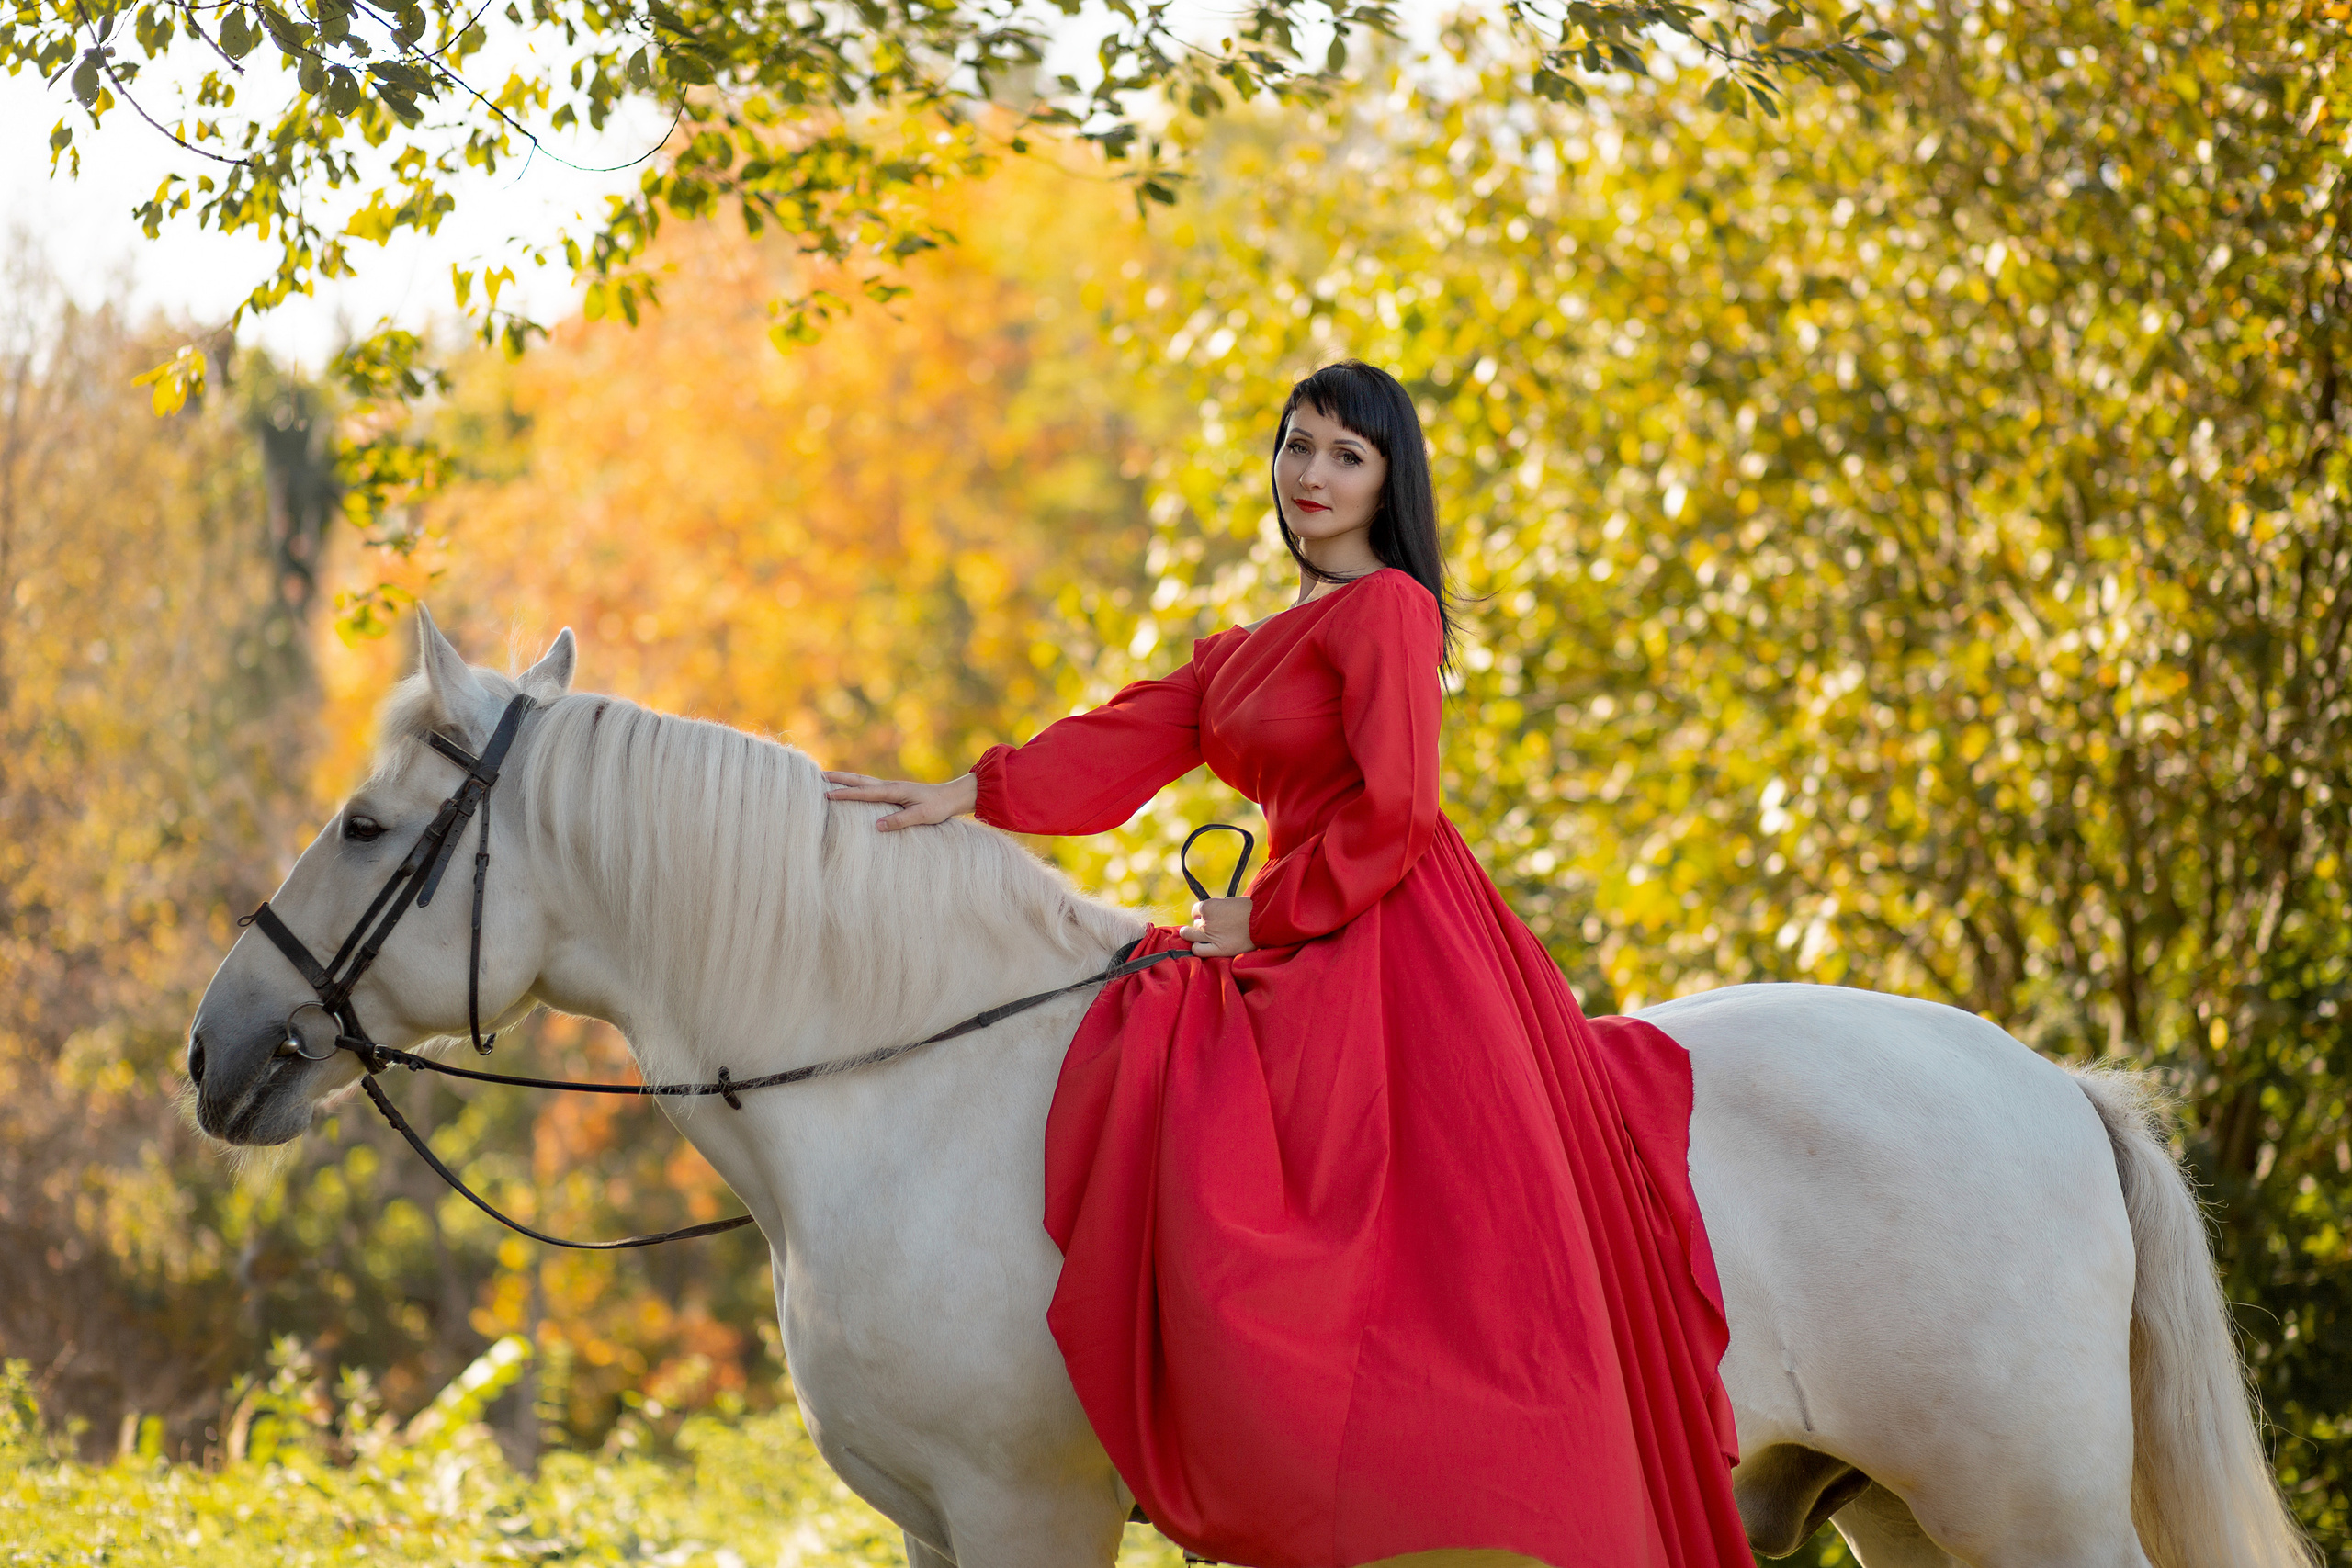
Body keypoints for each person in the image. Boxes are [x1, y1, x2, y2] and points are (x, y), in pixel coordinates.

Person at [822, 361, 1750, 1568]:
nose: (1312, 476)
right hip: (1305, 910)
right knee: (1160, 1048)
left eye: (1345, 457)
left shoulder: (1389, 613)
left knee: (1343, 1182)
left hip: (1386, 919)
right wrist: (968, 793)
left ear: (1387, 482)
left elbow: (1401, 809)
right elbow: (1124, 737)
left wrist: (1266, 923)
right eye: (1297, 446)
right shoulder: (1251, 649)